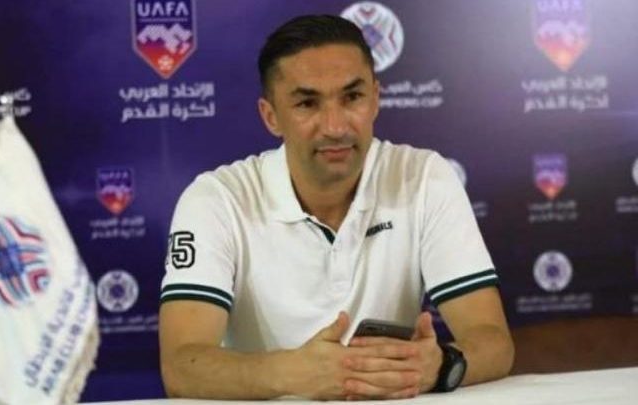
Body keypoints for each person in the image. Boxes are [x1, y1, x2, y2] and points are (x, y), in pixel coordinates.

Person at [158, 14, 514, 400]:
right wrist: (293, 374)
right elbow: (181, 366)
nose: (335, 126)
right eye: (307, 103)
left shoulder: (423, 176)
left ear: (375, 99)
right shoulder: (217, 199)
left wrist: (439, 366)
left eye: (352, 98)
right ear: (271, 117)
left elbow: (493, 341)